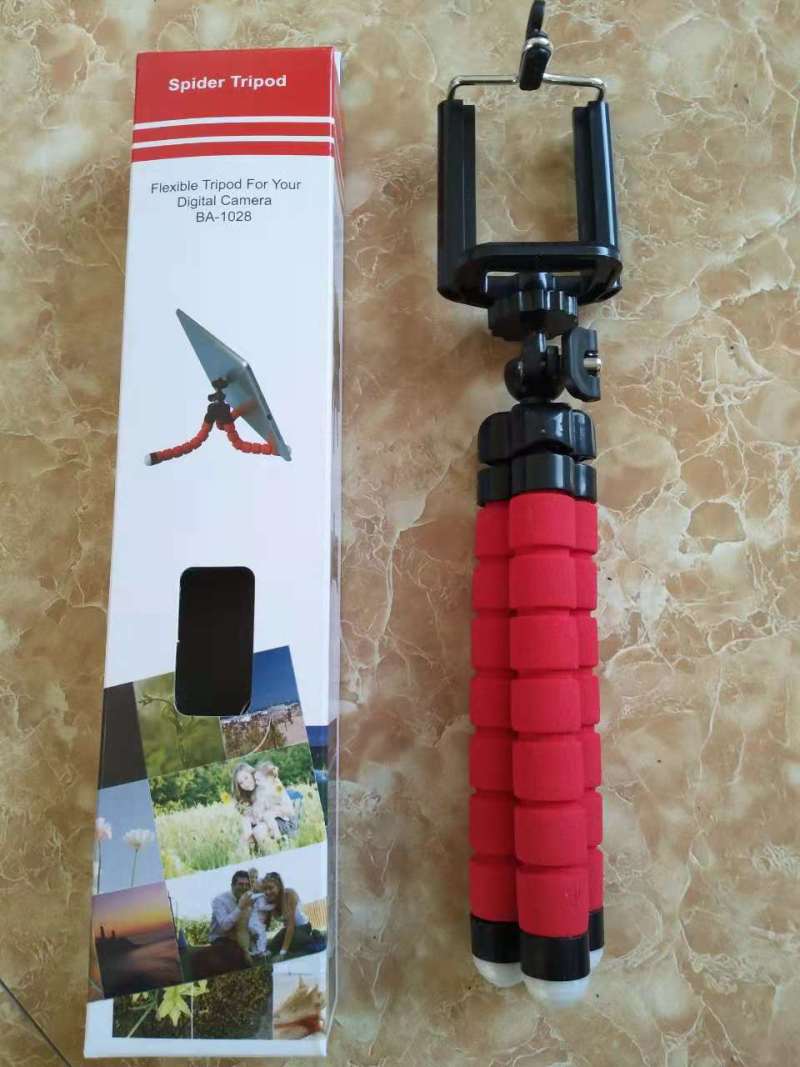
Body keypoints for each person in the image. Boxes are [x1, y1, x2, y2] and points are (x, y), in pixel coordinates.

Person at [253, 871, 323, 960]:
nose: (267, 892)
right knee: (272, 945)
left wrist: (282, 953)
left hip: (303, 927)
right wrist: (257, 934)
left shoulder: (289, 894)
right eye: (265, 889)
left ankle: (314, 936)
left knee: (294, 942)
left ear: (279, 887)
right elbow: (266, 924)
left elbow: (291, 926)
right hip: (288, 930)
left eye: (271, 888)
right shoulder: (268, 901)